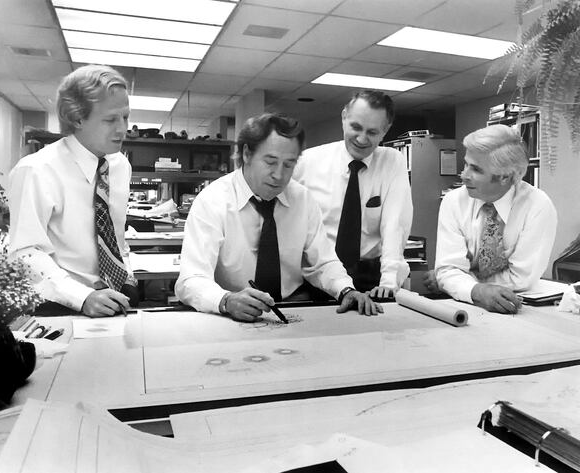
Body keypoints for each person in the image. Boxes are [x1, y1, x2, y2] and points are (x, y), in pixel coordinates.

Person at [176, 112, 380, 321]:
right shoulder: (212, 201)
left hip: (294, 307)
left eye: (289, 164)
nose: (279, 175)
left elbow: (323, 262)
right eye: (270, 162)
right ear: (247, 154)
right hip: (231, 312)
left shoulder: (302, 199)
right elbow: (191, 279)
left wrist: (346, 289)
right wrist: (226, 300)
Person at [8, 64, 138, 317]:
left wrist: (127, 276)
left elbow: (115, 236)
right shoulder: (36, 170)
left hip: (113, 299)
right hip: (60, 304)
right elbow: (24, 253)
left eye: (125, 117)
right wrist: (82, 297)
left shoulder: (120, 166)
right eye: (111, 119)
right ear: (77, 118)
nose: (122, 129)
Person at [293, 90, 413, 298]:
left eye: (372, 132)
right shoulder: (307, 162)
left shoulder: (392, 162)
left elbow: (395, 226)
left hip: (369, 277)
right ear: (344, 118)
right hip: (318, 274)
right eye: (355, 127)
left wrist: (389, 283)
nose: (361, 139)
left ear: (385, 131)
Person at [431, 124, 557, 314]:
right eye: (466, 164)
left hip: (518, 308)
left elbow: (521, 279)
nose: (464, 175)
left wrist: (457, 281)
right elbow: (448, 269)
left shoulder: (537, 206)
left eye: (476, 169)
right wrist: (470, 287)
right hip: (460, 305)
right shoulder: (454, 201)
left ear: (505, 176)